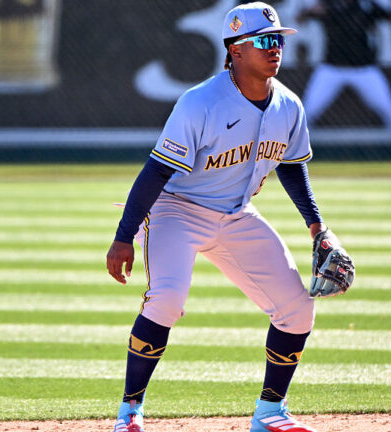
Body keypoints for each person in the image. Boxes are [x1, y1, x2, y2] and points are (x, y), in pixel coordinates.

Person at [106, 3, 351, 431]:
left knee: (296, 308)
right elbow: (157, 171)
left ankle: (270, 413)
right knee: (167, 298)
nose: (275, 48)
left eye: (278, 39)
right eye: (263, 41)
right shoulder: (200, 102)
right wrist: (124, 235)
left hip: (237, 216)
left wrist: (318, 227)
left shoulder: (289, 106)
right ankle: (130, 413)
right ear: (236, 50)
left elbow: (292, 166)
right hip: (176, 211)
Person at [297, 0, 391, 163]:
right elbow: (301, 18)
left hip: (364, 69)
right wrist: (307, 12)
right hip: (332, 68)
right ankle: (293, 154)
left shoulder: (367, 5)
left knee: (387, 107)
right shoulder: (329, 4)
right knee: (309, 110)